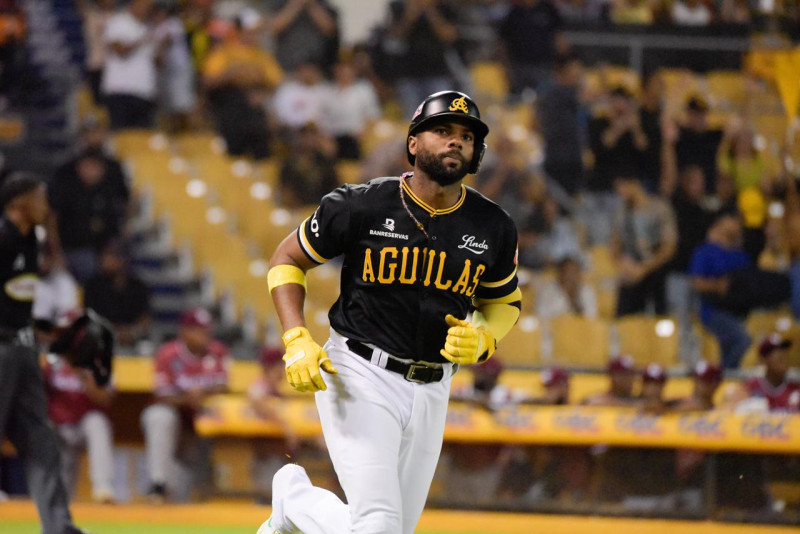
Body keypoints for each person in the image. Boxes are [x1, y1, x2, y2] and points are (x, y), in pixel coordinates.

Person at [260, 90, 521, 534]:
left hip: (434, 387)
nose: (456, 141)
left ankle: (295, 507)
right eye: (442, 130)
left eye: (466, 136)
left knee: (390, 530)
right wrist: (296, 337)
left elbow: (504, 302)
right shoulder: (362, 204)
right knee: (379, 524)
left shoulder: (493, 225)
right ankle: (293, 498)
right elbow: (286, 259)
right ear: (413, 143)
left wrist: (485, 336)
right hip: (360, 371)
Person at [0, 173, 87, 533]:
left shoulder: (30, 240)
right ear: (19, 203)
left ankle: (58, 526)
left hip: (24, 348)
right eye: (40, 198)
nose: (46, 206)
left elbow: (17, 300)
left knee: (41, 441)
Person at [140, 307, 230, 502]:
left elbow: (224, 387)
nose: (205, 335)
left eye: (206, 330)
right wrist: (187, 398)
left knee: (183, 494)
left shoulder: (217, 351)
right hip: (175, 417)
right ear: (185, 331)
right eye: (198, 330)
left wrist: (202, 393)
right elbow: (162, 395)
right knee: (159, 416)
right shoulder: (167, 354)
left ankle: (211, 489)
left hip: (203, 420)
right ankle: (158, 483)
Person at [43, 353, 116, 503]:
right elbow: (38, 397)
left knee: (98, 422)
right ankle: (51, 492)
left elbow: (105, 399)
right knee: (63, 491)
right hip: (59, 427)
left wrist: (84, 376)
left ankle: (103, 487)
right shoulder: (52, 363)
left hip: (85, 423)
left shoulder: (98, 364)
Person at [688, 214, 752, 368]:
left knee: (729, 344)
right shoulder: (706, 251)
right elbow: (696, 282)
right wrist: (717, 286)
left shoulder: (740, 255)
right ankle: (726, 372)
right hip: (713, 311)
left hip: (737, 311)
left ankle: (726, 374)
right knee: (742, 340)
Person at [611, 174, 678, 316]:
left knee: (659, 318)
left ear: (634, 183)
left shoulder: (659, 208)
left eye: (622, 186)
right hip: (631, 275)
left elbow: (669, 247)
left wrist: (644, 268)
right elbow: (615, 247)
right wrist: (624, 264)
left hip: (656, 274)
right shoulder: (621, 213)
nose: (619, 192)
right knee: (624, 317)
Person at [101, 0, 159, 130]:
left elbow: (156, 62)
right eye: (145, 4)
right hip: (121, 91)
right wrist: (140, 41)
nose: (147, 9)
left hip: (145, 93)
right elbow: (119, 51)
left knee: (142, 138)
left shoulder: (147, 27)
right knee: (121, 135)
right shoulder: (119, 22)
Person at [83, 240, 151, 350]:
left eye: (110, 255)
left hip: (132, 340)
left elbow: (145, 319)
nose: (104, 259)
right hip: (102, 338)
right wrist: (113, 332)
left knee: (146, 347)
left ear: (122, 259)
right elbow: (89, 318)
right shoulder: (93, 285)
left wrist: (132, 332)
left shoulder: (138, 286)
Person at [743, 334, 800, 412]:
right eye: (775, 352)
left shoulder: (795, 386)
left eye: (783, 351)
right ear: (763, 360)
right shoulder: (751, 387)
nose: (782, 355)